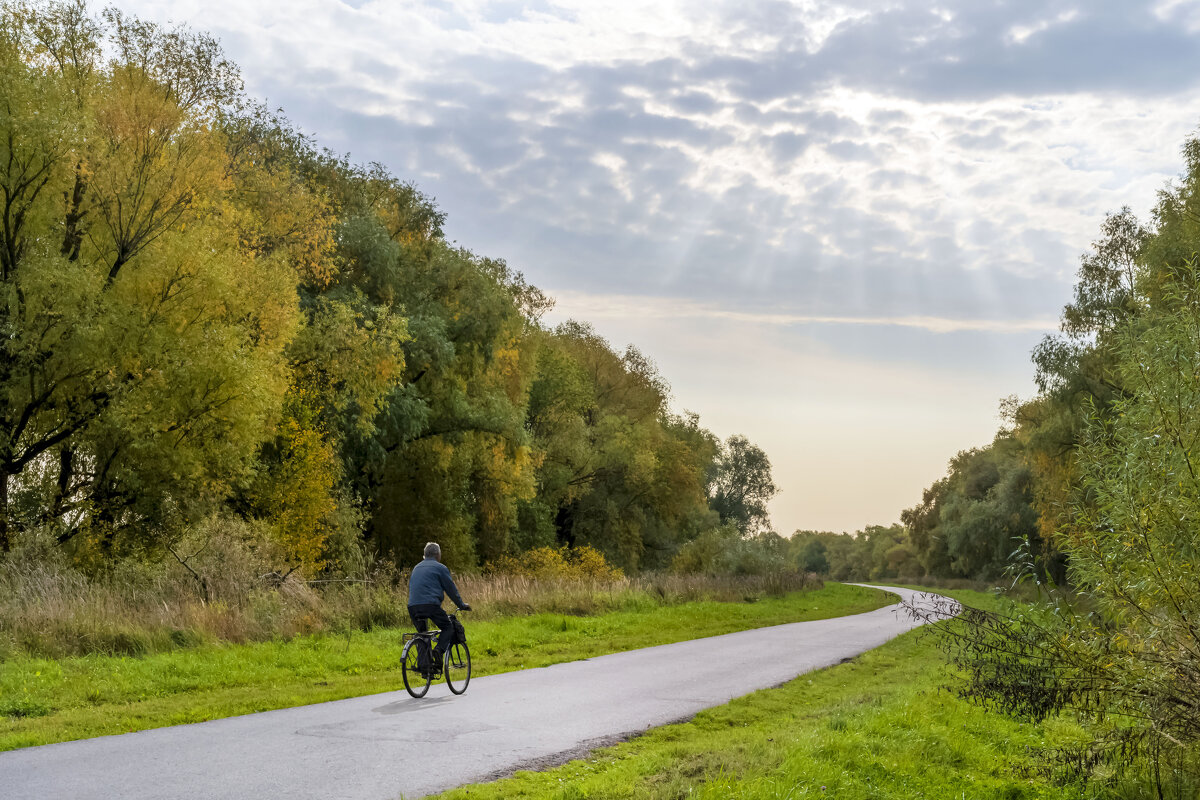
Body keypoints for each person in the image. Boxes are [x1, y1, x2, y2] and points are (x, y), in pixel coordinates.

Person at [407, 542, 470, 676]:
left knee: (423, 634)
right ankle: (438, 651)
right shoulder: (440, 568)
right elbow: (451, 590)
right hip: (430, 605)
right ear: (438, 554)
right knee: (448, 627)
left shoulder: (416, 568)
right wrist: (461, 605)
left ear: (425, 555)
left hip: (413, 606)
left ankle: (425, 668)